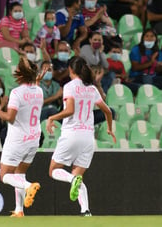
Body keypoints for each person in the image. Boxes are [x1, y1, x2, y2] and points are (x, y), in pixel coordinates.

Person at [46, 56, 114, 216]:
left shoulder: (69, 86)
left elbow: (69, 110)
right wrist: (109, 129)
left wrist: (52, 117)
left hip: (72, 134)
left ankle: (71, 180)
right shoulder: (92, 89)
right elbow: (108, 111)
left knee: (54, 170)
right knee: (78, 175)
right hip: (88, 139)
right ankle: (86, 211)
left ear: (71, 69)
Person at [0, 55, 42, 217]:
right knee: (19, 173)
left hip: (18, 139)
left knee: (5, 175)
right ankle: (19, 210)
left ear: (20, 73)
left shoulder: (16, 93)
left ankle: (28, 187)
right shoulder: (39, 91)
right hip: (34, 138)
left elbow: (10, 118)